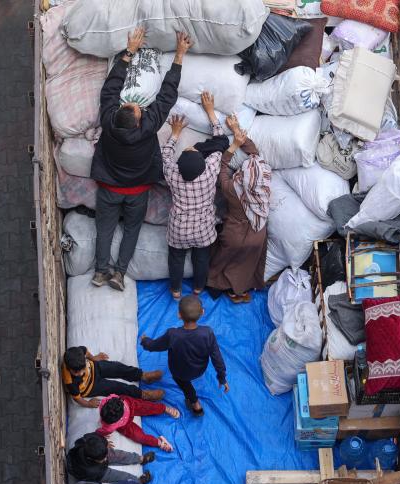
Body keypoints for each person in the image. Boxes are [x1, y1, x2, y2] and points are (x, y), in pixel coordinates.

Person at [90, 28, 193, 292]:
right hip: (137, 190)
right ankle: (119, 273)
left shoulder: (109, 119)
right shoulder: (147, 127)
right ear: (137, 121)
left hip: (108, 188)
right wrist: (179, 54)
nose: (138, 105)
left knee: (105, 229)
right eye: (137, 108)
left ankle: (101, 272)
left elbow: (112, 87)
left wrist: (129, 52)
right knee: (132, 230)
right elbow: (167, 95)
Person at [162, 92, 229, 299]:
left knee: (176, 259)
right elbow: (219, 141)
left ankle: (175, 290)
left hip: (179, 230)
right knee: (202, 259)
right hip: (203, 230)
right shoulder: (210, 171)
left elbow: (165, 155)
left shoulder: (173, 174)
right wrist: (210, 111)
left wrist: (175, 134)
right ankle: (199, 288)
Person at [207, 114, 271, 303]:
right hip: (257, 233)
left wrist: (234, 145)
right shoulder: (264, 184)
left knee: (220, 259)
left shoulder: (232, 189)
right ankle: (240, 290)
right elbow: (255, 155)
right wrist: (237, 131)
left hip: (234, 233)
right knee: (246, 265)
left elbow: (221, 167)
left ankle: (217, 285)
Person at [141, 295, 227, 417]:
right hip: (199, 370)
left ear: (179, 315)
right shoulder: (208, 333)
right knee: (187, 380)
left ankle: (195, 402)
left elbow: (154, 346)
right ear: (202, 312)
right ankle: (196, 407)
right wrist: (222, 378)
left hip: (179, 372)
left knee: (184, 384)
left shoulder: (173, 334)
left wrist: (145, 341)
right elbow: (217, 358)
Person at [62, 345, 164, 408]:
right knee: (117, 387)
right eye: (76, 373)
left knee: (117, 367)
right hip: (92, 386)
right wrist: (88, 404)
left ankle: (143, 376)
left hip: (95, 367)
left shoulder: (78, 352)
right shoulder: (70, 382)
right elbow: (77, 399)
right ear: (69, 368)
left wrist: (94, 358)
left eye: (82, 369)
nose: (80, 373)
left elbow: (85, 351)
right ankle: (143, 394)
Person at [96, 395, 179, 452]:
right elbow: (99, 433)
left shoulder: (112, 399)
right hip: (124, 425)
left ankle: (164, 408)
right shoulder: (108, 427)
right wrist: (103, 441)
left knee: (147, 407)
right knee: (139, 437)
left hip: (130, 405)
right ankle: (159, 442)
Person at [66, 432, 156, 484]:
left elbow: (97, 436)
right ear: (91, 459)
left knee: (116, 454)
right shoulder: (92, 471)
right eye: (103, 459)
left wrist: (104, 443)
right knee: (116, 475)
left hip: (91, 461)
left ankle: (140, 459)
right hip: (91, 472)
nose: (106, 459)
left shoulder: (88, 440)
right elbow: (97, 476)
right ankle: (137, 481)